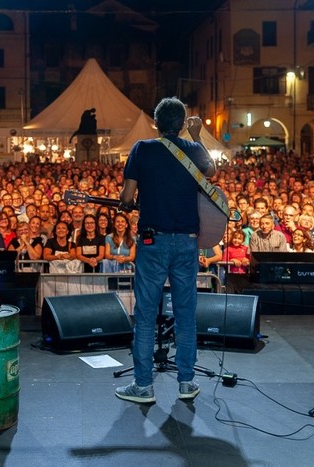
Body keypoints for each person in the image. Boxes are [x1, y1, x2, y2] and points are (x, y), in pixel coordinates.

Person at [115, 97, 215, 404]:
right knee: (185, 314)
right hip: (186, 242)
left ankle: (143, 386)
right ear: (182, 123)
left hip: (152, 241)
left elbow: (128, 195)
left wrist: (128, 202)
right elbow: (211, 172)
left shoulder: (142, 149)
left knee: (146, 315)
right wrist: (196, 137)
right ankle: (187, 382)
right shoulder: (194, 149)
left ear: (156, 123)